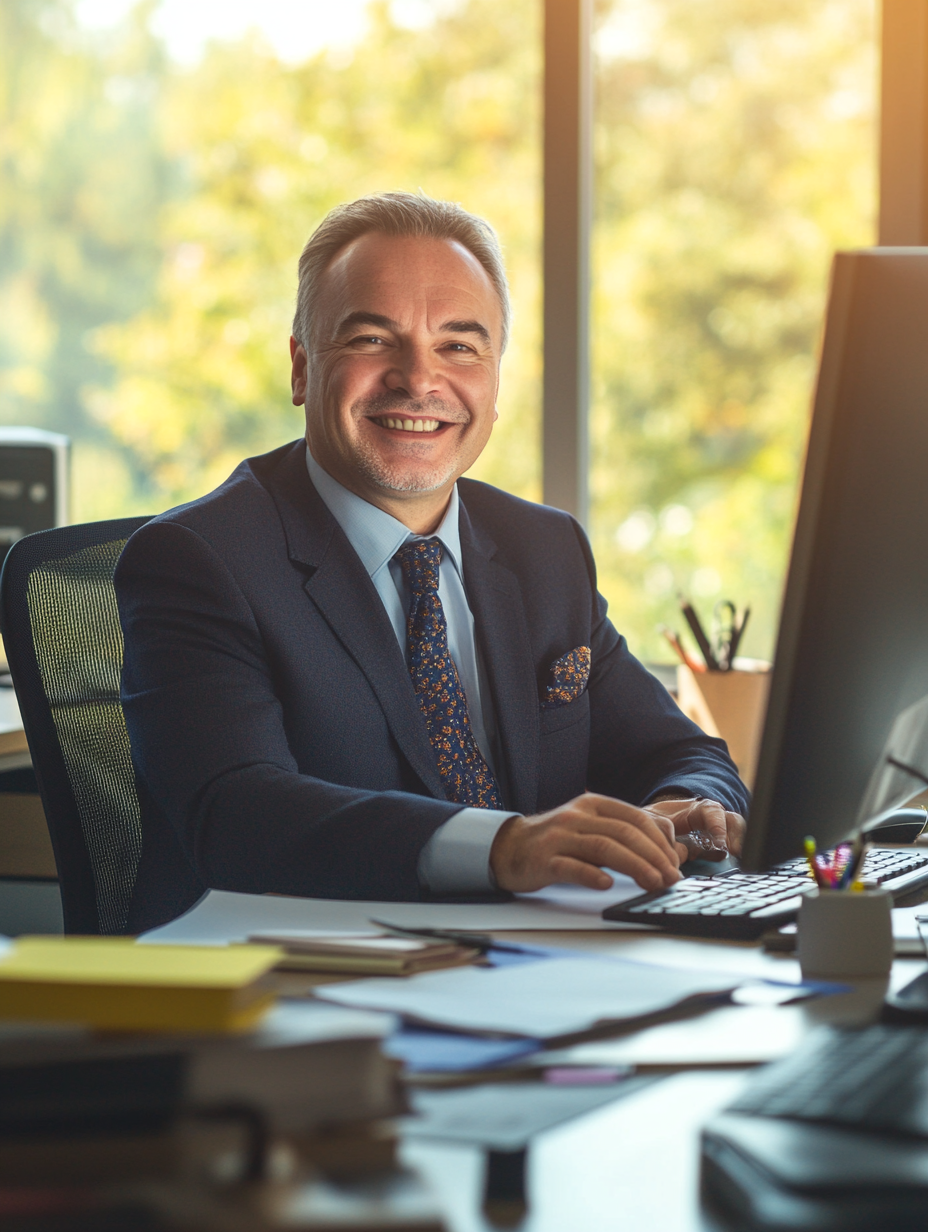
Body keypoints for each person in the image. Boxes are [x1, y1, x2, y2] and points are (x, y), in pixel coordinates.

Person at [115, 191, 749, 932]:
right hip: (292, 987)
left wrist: (687, 813)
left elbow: (683, 751)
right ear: (300, 367)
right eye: (372, 339)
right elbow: (237, 813)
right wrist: (502, 846)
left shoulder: (543, 551)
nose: (420, 380)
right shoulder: (200, 560)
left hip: (523, 968)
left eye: (459, 346)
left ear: (494, 377)